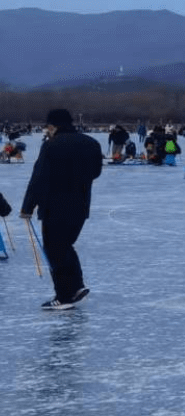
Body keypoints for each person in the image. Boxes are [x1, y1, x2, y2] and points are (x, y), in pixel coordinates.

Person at [20, 108, 104, 310]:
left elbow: (39, 178)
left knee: (55, 250)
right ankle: (76, 287)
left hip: (54, 207)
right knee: (65, 246)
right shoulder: (91, 143)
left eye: (47, 127)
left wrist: (27, 207)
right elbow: (96, 172)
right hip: (81, 206)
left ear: (53, 126)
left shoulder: (51, 146)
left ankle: (63, 296)